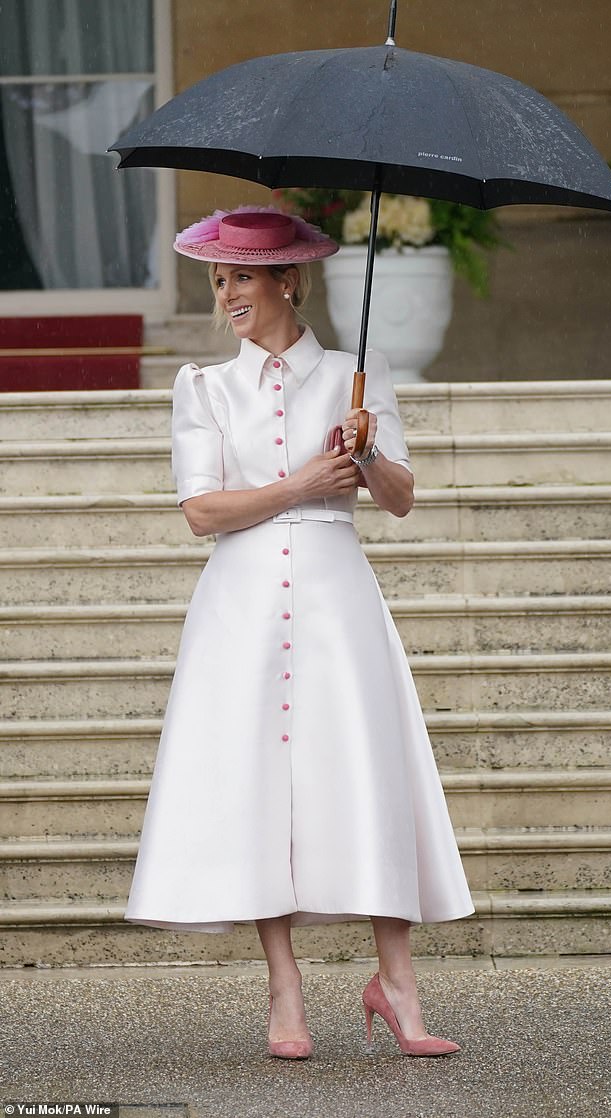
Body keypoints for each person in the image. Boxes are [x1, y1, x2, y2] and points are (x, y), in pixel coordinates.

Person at [124, 204, 475, 1060]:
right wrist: (298, 483)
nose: (228, 294)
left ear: (289, 279)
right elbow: (201, 511)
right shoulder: (202, 388)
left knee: (365, 772)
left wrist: (364, 456)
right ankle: (285, 992)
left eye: (243, 276)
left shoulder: (361, 373)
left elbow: (399, 499)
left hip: (337, 596)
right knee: (259, 789)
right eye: (219, 279)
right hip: (240, 605)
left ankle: (396, 985)